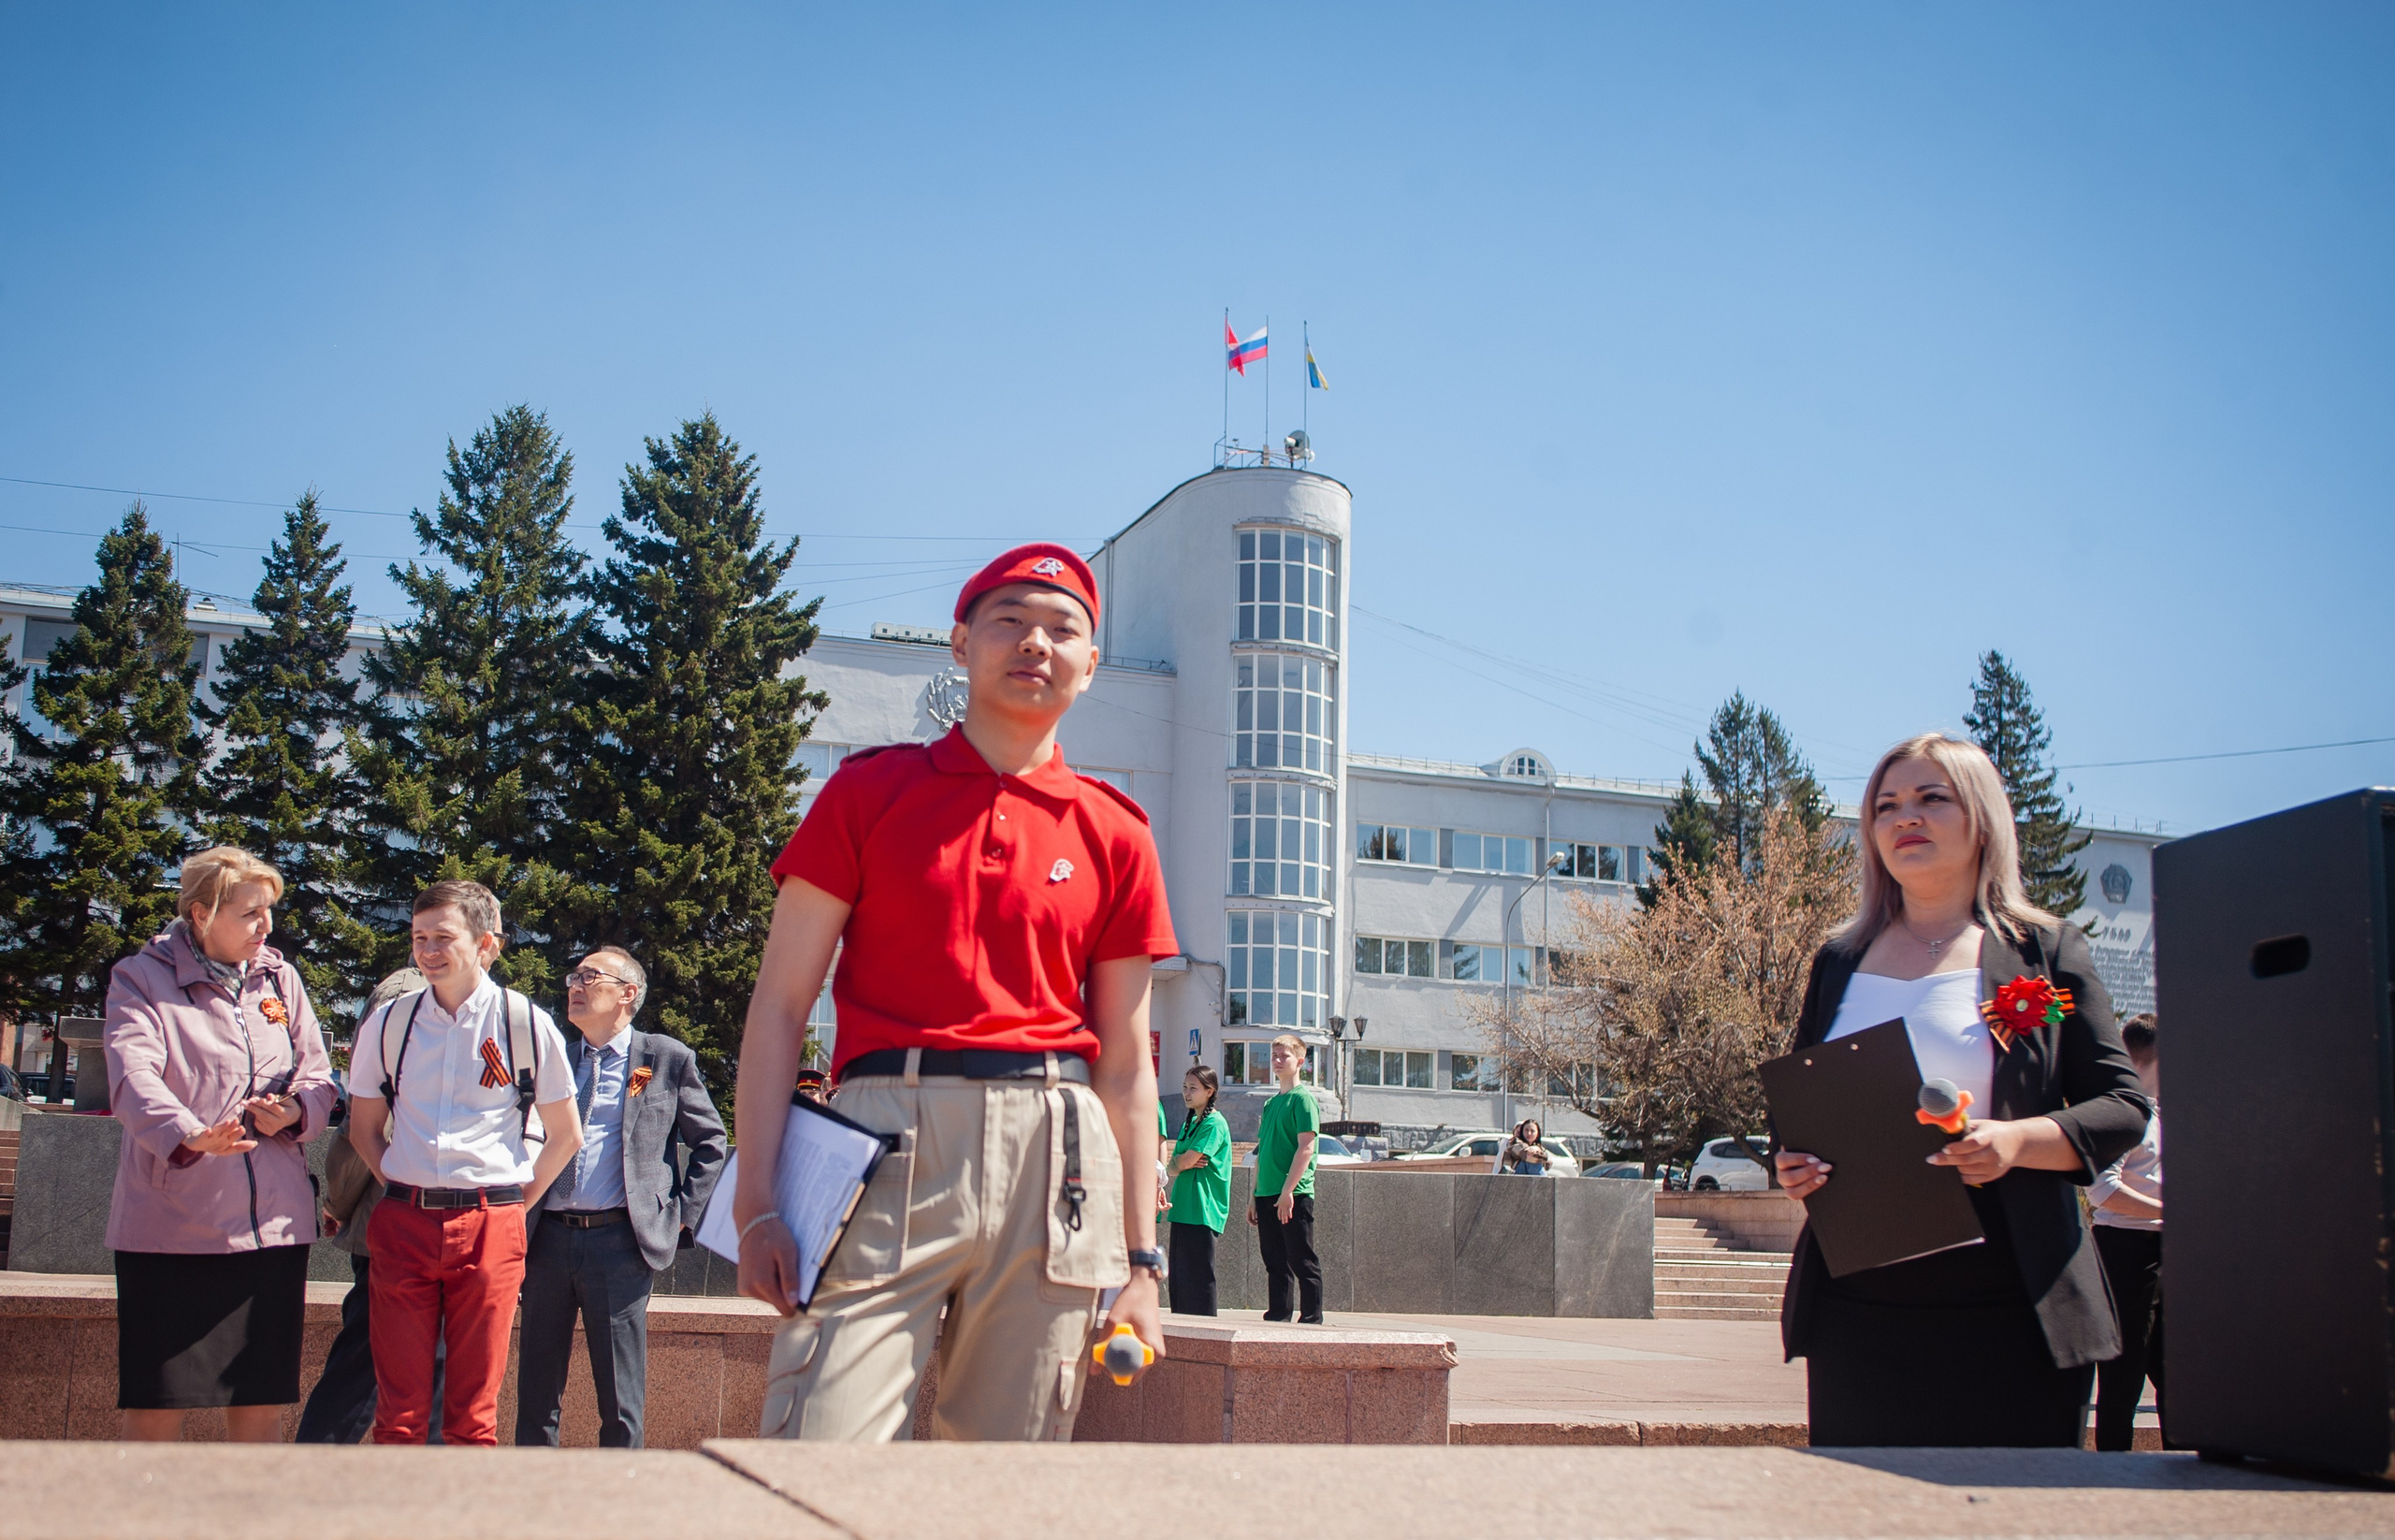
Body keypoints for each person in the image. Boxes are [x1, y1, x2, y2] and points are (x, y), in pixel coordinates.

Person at [732, 543, 1177, 1442]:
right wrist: (757, 1205)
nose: (1035, 644)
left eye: (1063, 631)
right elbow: (780, 1007)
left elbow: (1128, 1067)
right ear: (961, 643)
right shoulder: (867, 793)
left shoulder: (1116, 832)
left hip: (1057, 1155)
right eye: (1008, 621)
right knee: (818, 1445)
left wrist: (1143, 1266)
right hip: (881, 1139)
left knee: (999, 1485)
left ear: (1091, 667)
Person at [1773, 734, 2150, 1448]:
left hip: (2013, 1299)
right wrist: (1791, 1163)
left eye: (1930, 798)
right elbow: (1801, 1104)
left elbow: (2122, 1106)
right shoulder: (1838, 961)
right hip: (1861, 1312)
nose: (1903, 818)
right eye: (1886, 806)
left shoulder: (2040, 956)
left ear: (1981, 817)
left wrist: (2016, 1143)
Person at [101, 847, 339, 1442]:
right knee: (157, 1403)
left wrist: (294, 1112)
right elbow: (134, 1076)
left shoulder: (282, 979)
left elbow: (319, 1076)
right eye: (250, 912)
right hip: (174, 1225)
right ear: (201, 914)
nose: (266, 926)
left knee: (259, 1397)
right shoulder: (140, 977)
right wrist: (190, 1135)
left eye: (270, 911)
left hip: (272, 1228)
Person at [345, 880, 581, 1446]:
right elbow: (362, 1129)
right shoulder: (390, 1024)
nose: (427, 951)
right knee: (398, 1413)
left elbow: (565, 1135)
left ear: (487, 945)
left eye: (442, 937)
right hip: (403, 1222)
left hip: (492, 1224)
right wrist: (404, 1185)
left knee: (474, 1414)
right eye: (418, 937)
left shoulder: (524, 1023)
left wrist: (510, 1208)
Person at [515, 945, 728, 1449]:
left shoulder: (665, 1058)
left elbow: (711, 1143)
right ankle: (527, 1501)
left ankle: (621, 1504)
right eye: (574, 977)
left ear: (627, 993)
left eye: (590, 977)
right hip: (544, 1240)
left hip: (620, 1245)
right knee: (535, 1391)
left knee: (620, 1399)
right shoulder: (556, 1059)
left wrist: (679, 1216)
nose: (576, 986)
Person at [297, 968, 448, 1445]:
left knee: (437, 1370)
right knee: (365, 1365)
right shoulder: (408, 995)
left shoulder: (485, 1006)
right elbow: (372, 1122)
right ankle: (310, 1478)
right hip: (396, 1217)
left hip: (442, 1221)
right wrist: (340, 1201)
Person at [2090, 1011, 2165, 1452]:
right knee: (2123, 1375)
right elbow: (2102, 1190)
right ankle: (2110, 1469)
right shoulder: (2126, 1115)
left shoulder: (2162, 1113)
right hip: (2125, 1252)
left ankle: (2182, 1467)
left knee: (2172, 1371)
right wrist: (2167, 1211)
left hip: (2161, 1250)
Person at [1248, 1035, 1323, 1323]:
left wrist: (1288, 1192)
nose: (1277, 1061)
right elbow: (1263, 1152)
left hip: (1293, 1195)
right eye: (1274, 1056)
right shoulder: (1270, 1104)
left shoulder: (1303, 1101)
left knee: (1301, 1258)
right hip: (1266, 1193)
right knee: (1274, 1261)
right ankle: (1278, 1314)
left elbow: (1306, 1149)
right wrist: (1254, 1196)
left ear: (1300, 1062)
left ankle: (1311, 1318)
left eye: (1285, 1056)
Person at [1167, 1066, 1230, 1315]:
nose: (1187, 1093)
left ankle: (1205, 1329)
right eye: (1184, 1087)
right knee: (1180, 1278)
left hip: (1203, 1209)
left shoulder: (1214, 1122)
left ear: (1209, 1091)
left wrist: (1182, 1161)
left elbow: (1185, 1161)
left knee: (1200, 1276)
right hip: (1183, 1208)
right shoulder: (1190, 1121)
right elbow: (1174, 1166)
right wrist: (1181, 1162)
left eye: (1193, 1088)